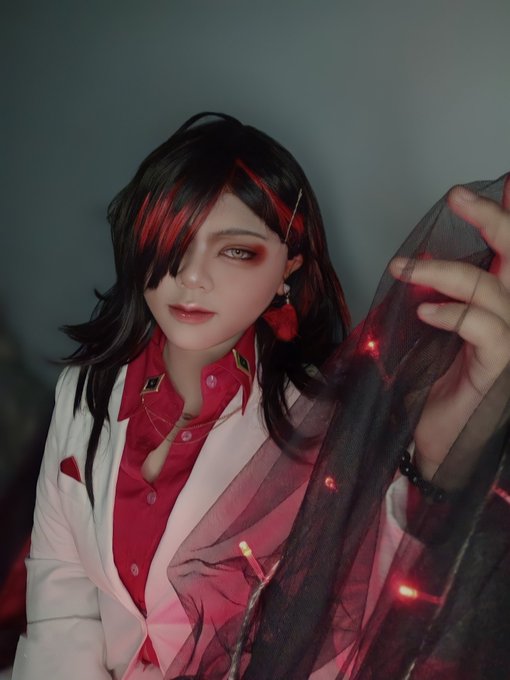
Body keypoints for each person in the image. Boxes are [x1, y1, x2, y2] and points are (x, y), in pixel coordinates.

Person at [11, 113, 510, 680]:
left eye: (236, 251)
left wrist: (455, 434)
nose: (191, 276)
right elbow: (62, 586)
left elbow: (368, 601)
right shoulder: (84, 389)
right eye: (170, 237)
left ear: (287, 268)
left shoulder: (319, 421)